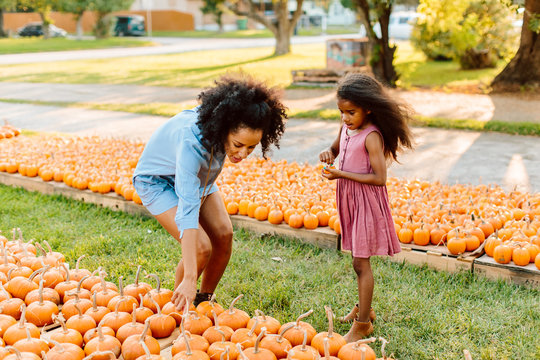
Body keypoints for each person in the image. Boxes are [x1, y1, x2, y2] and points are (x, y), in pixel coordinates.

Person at [133, 74, 287, 309]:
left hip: (195, 178)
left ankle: (203, 302)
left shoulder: (222, 127)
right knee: (200, 247)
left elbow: (201, 179)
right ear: (223, 129)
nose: (243, 154)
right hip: (157, 181)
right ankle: (179, 309)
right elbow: (187, 210)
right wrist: (189, 278)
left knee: (224, 235)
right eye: (238, 145)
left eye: (251, 147)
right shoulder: (191, 143)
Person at [319, 73, 413, 342]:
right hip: (349, 197)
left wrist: (342, 175)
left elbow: (379, 179)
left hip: (366, 201)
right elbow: (337, 148)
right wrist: (329, 153)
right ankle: (365, 310)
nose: (345, 118)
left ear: (368, 108)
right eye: (341, 112)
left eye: (351, 112)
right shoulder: (347, 126)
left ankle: (362, 325)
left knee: (361, 262)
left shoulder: (372, 136)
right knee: (356, 261)